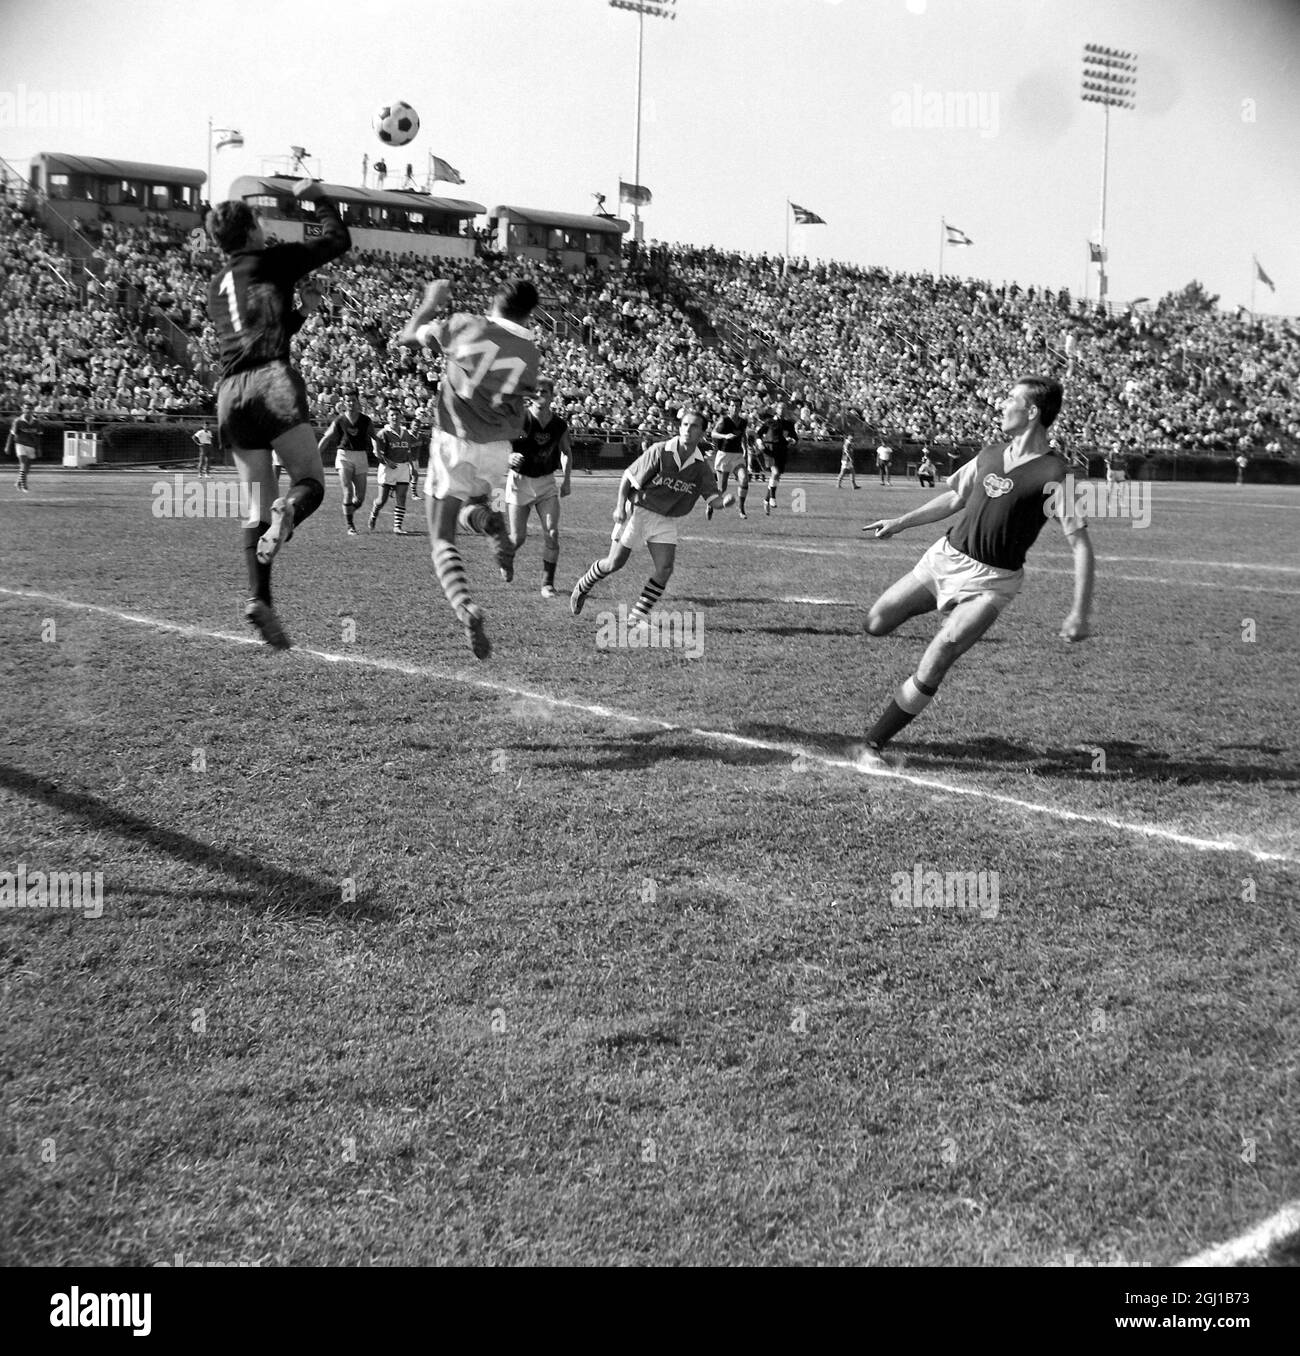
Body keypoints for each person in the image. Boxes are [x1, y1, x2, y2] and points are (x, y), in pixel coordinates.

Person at [856, 377, 1093, 764]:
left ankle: (873, 744)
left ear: (1031, 412)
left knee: (942, 651)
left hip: (993, 582)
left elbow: (1080, 543)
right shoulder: (989, 453)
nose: (1002, 404)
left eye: (1011, 399)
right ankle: (945, 606)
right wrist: (901, 522)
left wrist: (1079, 613)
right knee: (876, 622)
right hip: (946, 559)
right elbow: (954, 496)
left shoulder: (1055, 474)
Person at [205, 180, 350, 649]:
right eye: (259, 220)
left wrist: (300, 314)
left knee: (253, 507)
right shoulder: (273, 259)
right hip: (271, 381)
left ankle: (260, 597)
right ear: (250, 229)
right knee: (310, 480)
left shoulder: (217, 285)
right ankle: (288, 509)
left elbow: (256, 330)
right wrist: (319, 197)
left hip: (230, 393)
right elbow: (338, 241)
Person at [398, 276, 541, 659]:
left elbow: (407, 337)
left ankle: (466, 607)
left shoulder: (467, 325)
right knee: (470, 508)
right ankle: (488, 520)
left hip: (453, 439)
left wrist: (430, 304)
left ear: (495, 299)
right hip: (497, 449)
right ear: (530, 312)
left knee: (440, 538)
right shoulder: (531, 354)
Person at [569, 409, 734, 622]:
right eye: (684, 424)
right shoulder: (660, 450)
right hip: (638, 512)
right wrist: (620, 506)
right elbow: (628, 478)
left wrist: (725, 502)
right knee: (613, 564)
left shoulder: (701, 466)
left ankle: (636, 617)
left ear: (702, 433)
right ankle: (583, 585)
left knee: (665, 568)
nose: (687, 430)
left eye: (694, 426)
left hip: (665, 519)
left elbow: (714, 499)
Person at [505, 377, 572, 598]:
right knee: (518, 538)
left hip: (546, 483)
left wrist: (567, 479)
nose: (540, 394)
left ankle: (547, 584)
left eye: (545, 391)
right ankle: (506, 557)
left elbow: (566, 452)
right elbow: (501, 444)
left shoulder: (559, 425)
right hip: (519, 481)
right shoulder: (520, 419)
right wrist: (509, 455)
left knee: (552, 533)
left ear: (552, 396)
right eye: (536, 391)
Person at [318, 389, 378, 536]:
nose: (351, 403)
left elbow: (374, 437)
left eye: (353, 400)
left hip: (361, 456)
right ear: (344, 403)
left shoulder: (365, 420)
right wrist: (316, 455)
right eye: (348, 401)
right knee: (348, 491)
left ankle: (348, 510)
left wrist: (379, 451)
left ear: (358, 402)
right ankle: (350, 525)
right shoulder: (339, 420)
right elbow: (326, 438)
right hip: (344, 455)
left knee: (360, 497)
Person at [368, 410, 419, 534]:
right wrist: (387, 461)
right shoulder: (383, 433)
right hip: (387, 469)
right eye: (392, 415)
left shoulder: (406, 433)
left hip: (403, 468)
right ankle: (374, 513)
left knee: (401, 497)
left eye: (397, 415)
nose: (394, 417)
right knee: (382, 500)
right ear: (387, 417)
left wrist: (412, 467)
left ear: (401, 417)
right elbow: (377, 452)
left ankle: (397, 527)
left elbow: (408, 452)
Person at [709, 397, 750, 518]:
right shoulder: (724, 420)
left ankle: (741, 509)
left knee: (744, 480)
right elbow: (713, 433)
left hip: (737, 456)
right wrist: (725, 436)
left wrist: (745, 449)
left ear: (740, 407)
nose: (735, 408)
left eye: (737, 406)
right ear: (729, 407)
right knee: (722, 488)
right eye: (733, 406)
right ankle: (710, 505)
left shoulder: (743, 422)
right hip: (724, 455)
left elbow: (743, 436)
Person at [757, 399, 797, 515]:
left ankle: (766, 499)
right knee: (775, 472)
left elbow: (795, 438)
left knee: (777, 476)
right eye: (780, 408)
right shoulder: (769, 421)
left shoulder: (789, 424)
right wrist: (759, 443)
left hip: (782, 451)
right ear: (776, 409)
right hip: (770, 450)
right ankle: (773, 497)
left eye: (785, 408)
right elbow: (759, 433)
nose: (783, 410)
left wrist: (792, 441)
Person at [6, 402, 38, 492]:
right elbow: (12, 434)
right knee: (23, 463)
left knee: (27, 468)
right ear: (23, 409)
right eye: (26, 408)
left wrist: (39, 448)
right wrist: (7, 446)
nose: (28, 410)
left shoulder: (36, 422)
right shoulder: (18, 421)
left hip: (31, 446)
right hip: (20, 444)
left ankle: (18, 482)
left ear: (33, 410)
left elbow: (38, 435)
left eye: (30, 409)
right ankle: (24, 486)